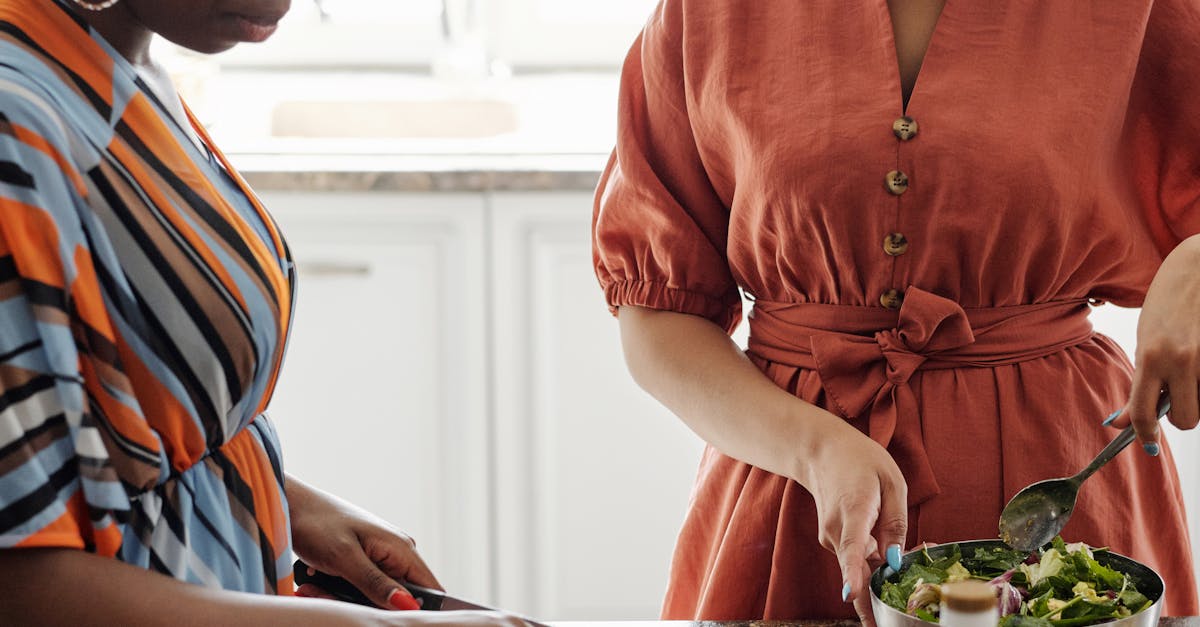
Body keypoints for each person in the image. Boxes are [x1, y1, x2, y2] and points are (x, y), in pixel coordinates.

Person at [592, 0, 1200, 624]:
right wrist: (814, 450)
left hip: (1067, 477)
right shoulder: (707, 13)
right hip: (791, 500)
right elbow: (657, 314)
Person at [0, 1, 521, 625]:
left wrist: (285, 499)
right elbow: (21, 586)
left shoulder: (112, 60)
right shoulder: (16, 125)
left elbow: (89, 425)